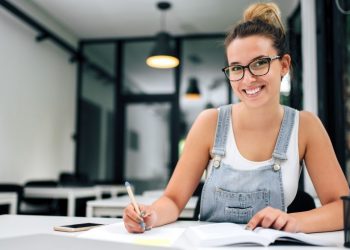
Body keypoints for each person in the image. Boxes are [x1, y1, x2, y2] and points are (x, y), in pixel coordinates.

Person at [123, 2, 349, 234]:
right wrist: (150, 215)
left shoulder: (306, 126)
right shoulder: (209, 123)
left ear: (283, 65)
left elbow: (343, 207)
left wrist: (295, 221)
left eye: (259, 63)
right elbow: (172, 200)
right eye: (236, 68)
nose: (248, 79)